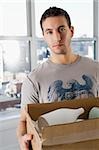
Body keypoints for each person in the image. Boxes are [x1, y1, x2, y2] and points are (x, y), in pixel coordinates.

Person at [17, 6, 99, 150]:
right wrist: (22, 138)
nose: (57, 37)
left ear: (71, 31)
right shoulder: (34, 79)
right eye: (49, 32)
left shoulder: (95, 69)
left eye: (61, 29)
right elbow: (24, 120)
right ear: (44, 36)